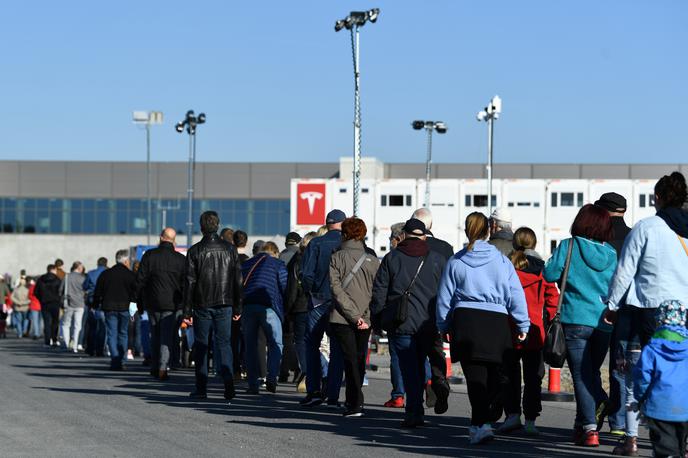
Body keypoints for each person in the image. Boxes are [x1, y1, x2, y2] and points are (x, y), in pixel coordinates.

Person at [436, 212, 529, 445]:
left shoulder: (456, 261)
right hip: (496, 321)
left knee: (475, 377)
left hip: (466, 320)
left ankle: (480, 424)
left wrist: (443, 324)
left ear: (467, 230)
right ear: (489, 231)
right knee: (495, 377)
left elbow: (444, 298)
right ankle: (482, 422)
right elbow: (515, 293)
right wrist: (522, 323)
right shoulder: (501, 261)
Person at [544, 204, 618, 447]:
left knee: (581, 375)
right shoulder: (611, 254)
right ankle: (581, 424)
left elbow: (549, 274)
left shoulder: (569, 245)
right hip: (603, 322)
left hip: (575, 318)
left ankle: (590, 428)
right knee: (590, 373)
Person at [373, 218, 451, 428]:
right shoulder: (437, 259)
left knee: (409, 369)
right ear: (424, 236)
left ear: (404, 235)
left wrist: (378, 319)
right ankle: (438, 382)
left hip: (401, 323)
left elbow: (380, 291)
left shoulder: (392, 258)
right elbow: (446, 293)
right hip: (429, 323)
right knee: (429, 360)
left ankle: (414, 411)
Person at [605, 171, 688, 346]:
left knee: (656, 361)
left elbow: (625, 271)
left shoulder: (646, 227)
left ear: (657, 198)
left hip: (653, 306)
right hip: (685, 307)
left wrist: (612, 305)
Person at [498, 227, 559, 435]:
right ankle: (531, 420)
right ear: (533, 244)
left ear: (515, 244)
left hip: (508, 328)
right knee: (533, 377)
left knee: (509, 374)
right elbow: (553, 299)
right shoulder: (543, 270)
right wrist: (550, 320)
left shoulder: (506, 268)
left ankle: (512, 415)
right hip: (535, 331)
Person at [184, 211, 243, 400]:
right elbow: (238, 281)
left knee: (202, 344)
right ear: (217, 225)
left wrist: (187, 310)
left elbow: (189, 282)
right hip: (225, 303)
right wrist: (238, 306)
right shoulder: (230, 249)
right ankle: (229, 386)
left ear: (201, 227)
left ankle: (201, 388)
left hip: (202, 303)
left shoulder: (194, 251)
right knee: (224, 344)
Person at [593, 192, 634, 441]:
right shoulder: (633, 237)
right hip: (627, 311)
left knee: (588, 365)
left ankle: (594, 409)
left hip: (595, 308)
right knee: (620, 367)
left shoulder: (596, 238)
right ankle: (618, 422)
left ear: (603, 211)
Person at [329, 217, 380, 417]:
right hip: (365, 319)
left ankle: (354, 402)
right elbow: (378, 291)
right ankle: (356, 401)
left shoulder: (337, 257)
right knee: (358, 359)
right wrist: (363, 316)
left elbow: (335, 288)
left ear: (344, 234)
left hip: (342, 317)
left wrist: (352, 314)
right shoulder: (373, 260)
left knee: (349, 360)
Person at [300, 209, 347, 408]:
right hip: (340, 302)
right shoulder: (346, 244)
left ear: (327, 224)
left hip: (318, 300)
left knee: (312, 345)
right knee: (337, 348)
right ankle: (334, 395)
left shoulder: (316, 243)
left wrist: (312, 291)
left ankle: (314, 391)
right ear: (342, 224)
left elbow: (307, 274)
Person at [634, 300, 688, 458]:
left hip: (659, 406)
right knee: (680, 445)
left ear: (659, 320)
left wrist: (641, 398)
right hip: (685, 407)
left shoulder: (652, 348)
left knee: (665, 448)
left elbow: (642, 377)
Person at [136, 228, 186, 380]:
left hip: (152, 302)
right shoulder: (180, 259)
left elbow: (140, 280)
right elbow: (185, 284)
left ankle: (155, 366)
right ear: (174, 240)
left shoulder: (150, 256)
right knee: (166, 336)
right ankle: (163, 368)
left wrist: (138, 302)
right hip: (172, 304)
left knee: (155, 334)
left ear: (160, 238)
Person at [241, 241, 287, 394]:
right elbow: (284, 285)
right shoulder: (277, 264)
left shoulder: (247, 264)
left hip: (248, 306)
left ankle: (253, 384)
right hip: (269, 307)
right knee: (276, 343)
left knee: (250, 346)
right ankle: (272, 377)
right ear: (274, 252)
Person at [93, 250, 137, 370]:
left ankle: (115, 358)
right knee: (123, 333)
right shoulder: (130, 275)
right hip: (125, 308)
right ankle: (122, 360)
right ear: (126, 261)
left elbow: (97, 292)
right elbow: (136, 293)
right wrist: (137, 307)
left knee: (112, 334)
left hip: (109, 307)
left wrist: (96, 304)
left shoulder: (106, 274)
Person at [286, 231, 317, 391]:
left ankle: (305, 370)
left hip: (299, 306)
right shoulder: (318, 258)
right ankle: (314, 372)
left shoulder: (296, 261)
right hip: (317, 304)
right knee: (315, 341)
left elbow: (292, 288)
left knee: (300, 341)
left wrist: (288, 308)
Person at [231, 229, 250, 378]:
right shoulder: (250, 261)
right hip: (245, 303)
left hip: (231, 302)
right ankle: (245, 366)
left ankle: (235, 368)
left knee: (233, 337)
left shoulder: (230, 259)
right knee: (246, 337)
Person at [83, 257, 108, 356]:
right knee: (102, 327)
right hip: (104, 301)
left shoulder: (90, 273)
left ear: (97, 263)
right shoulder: (108, 273)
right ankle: (100, 349)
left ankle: (90, 348)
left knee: (92, 326)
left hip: (92, 301)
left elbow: (84, 286)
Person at [60, 261, 86, 352]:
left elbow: (61, 289)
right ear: (79, 268)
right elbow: (85, 289)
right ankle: (75, 345)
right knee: (77, 325)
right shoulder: (83, 278)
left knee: (66, 324)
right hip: (80, 303)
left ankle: (67, 344)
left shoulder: (67, 277)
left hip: (68, 302)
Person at [34, 264, 63, 347]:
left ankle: (47, 341)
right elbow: (61, 291)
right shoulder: (57, 279)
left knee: (47, 323)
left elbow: (36, 292)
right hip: (55, 303)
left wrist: (41, 299)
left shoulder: (41, 279)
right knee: (55, 322)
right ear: (53, 269)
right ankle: (54, 339)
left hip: (44, 303)